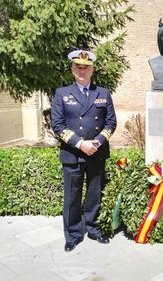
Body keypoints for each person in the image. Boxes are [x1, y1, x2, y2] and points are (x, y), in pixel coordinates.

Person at [51, 49, 117, 252]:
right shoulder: (62, 93)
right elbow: (57, 125)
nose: (82, 70)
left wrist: (96, 142)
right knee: (72, 195)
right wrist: (81, 144)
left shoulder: (103, 93)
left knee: (94, 194)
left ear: (92, 70)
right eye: (78, 67)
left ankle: (94, 229)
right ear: (72, 69)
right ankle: (72, 235)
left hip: (96, 153)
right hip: (73, 153)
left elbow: (111, 122)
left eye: (86, 67)